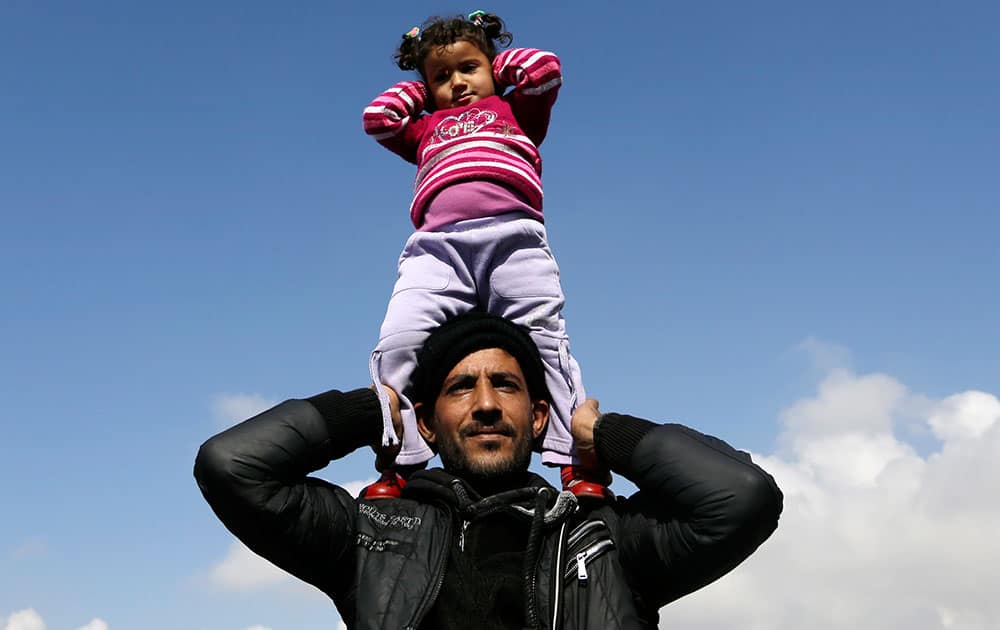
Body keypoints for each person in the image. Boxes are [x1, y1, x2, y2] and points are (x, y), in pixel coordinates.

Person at [195, 312, 784, 630]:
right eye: (460, 388)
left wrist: (607, 436)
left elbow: (742, 498)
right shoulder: (368, 535)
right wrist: (369, 412)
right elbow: (232, 467)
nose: (484, 404)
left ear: (537, 418)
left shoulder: (606, 539)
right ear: (425, 423)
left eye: (505, 384)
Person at [361, 11, 595, 497]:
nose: (458, 83)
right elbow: (378, 120)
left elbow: (545, 70)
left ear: (491, 67)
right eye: (442, 76)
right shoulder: (427, 128)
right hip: (437, 249)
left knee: (545, 341)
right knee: (400, 339)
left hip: (514, 241)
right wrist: (424, 90)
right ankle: (399, 460)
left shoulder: (516, 112)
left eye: (469, 68)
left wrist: (494, 61)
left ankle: (575, 458)